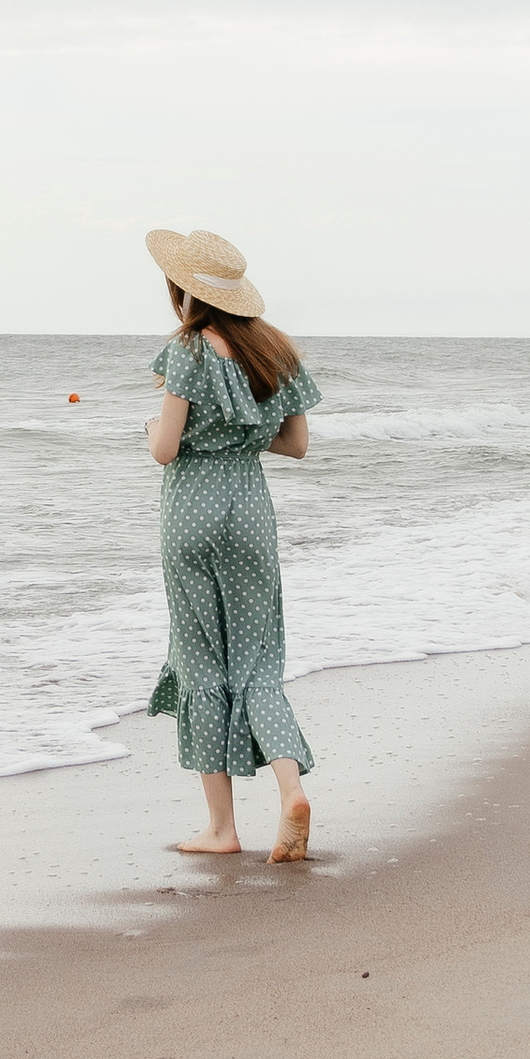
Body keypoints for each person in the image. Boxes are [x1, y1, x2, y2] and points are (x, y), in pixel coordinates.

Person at [142, 225, 321, 861]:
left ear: (181, 291)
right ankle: (290, 789)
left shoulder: (188, 351)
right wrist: (239, 439)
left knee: (199, 663)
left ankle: (221, 829)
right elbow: (296, 445)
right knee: (256, 662)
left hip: (191, 509)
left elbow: (166, 450)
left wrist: (153, 429)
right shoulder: (277, 350)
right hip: (249, 509)